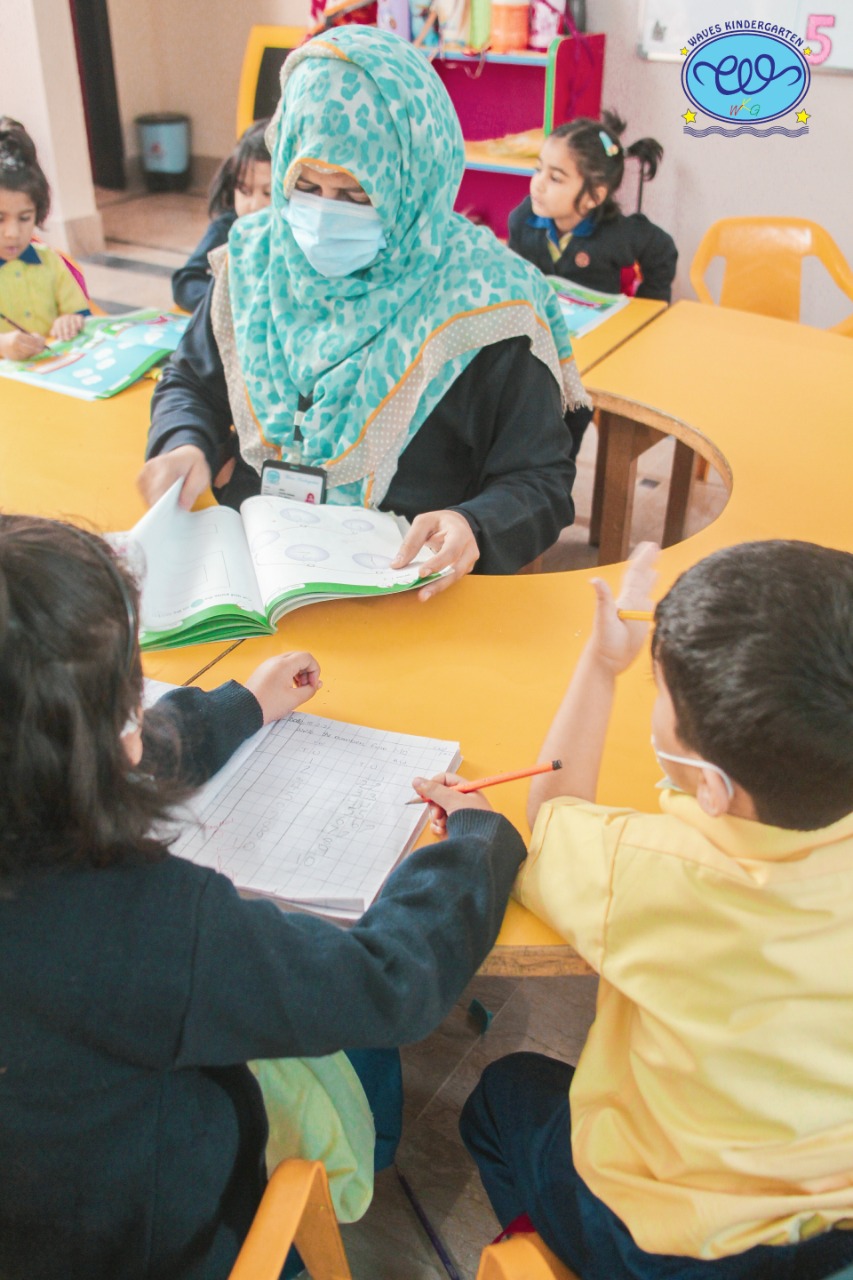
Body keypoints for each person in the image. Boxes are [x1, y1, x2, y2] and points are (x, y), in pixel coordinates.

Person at [0, 512, 526, 1280]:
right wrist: (473, 845)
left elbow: (88, 759)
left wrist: (240, 706)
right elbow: (389, 983)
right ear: (111, 726)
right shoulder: (152, 925)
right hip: (162, 1248)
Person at [436, 540, 853, 1279]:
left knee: (501, 1097)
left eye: (660, 692)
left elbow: (552, 811)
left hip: (675, 1245)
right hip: (836, 1221)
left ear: (713, 788)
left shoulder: (650, 870)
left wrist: (601, 667)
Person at [139, 28, 590, 598]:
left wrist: (474, 524)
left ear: (415, 181)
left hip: (408, 587)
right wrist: (184, 441)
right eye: (305, 186)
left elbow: (540, 478)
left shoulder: (491, 303)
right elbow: (190, 381)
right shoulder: (254, 262)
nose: (323, 218)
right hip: (251, 571)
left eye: (356, 195)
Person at [508, 110, 678, 303]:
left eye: (555, 178)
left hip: (602, 322)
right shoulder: (523, 220)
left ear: (594, 196)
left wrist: (649, 305)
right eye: (538, 169)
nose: (538, 183)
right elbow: (514, 278)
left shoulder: (616, 233)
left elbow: (662, 250)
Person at [0, 117, 90, 360]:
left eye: (24, 218)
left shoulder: (50, 262)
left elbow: (82, 316)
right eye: (0, 219)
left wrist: (70, 320)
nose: (12, 232)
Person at [171, 118, 272, 314]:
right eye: (245, 191)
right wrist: (223, 305)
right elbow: (185, 282)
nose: (254, 205)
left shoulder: (301, 236)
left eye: (268, 193)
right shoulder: (227, 227)